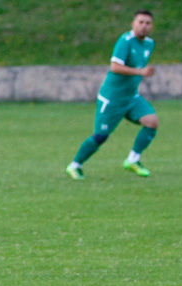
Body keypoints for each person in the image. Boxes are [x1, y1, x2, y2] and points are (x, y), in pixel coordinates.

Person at [66, 11, 159, 180]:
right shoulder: (125, 41)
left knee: (152, 122)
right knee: (100, 137)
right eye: (141, 22)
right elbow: (115, 67)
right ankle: (75, 165)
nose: (144, 26)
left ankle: (133, 160)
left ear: (151, 26)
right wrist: (140, 72)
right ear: (133, 23)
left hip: (131, 97)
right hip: (112, 99)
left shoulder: (149, 44)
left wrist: (140, 73)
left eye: (148, 23)